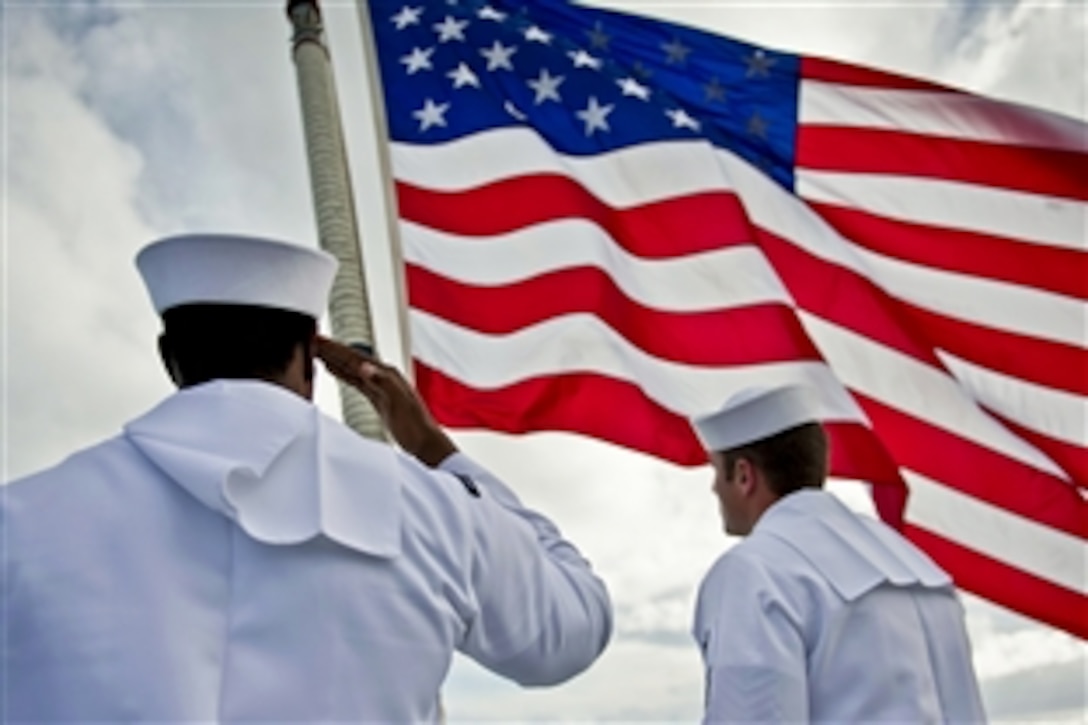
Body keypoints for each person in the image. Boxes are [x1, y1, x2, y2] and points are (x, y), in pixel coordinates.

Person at [1, 233, 612, 722]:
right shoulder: (434, 508)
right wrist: (436, 451)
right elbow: (573, 630)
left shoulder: (21, 519)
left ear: (170, 358)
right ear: (310, 361)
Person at [689, 385, 985, 723]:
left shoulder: (754, 572)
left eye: (716, 472)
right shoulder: (917, 566)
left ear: (744, 475)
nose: (714, 488)